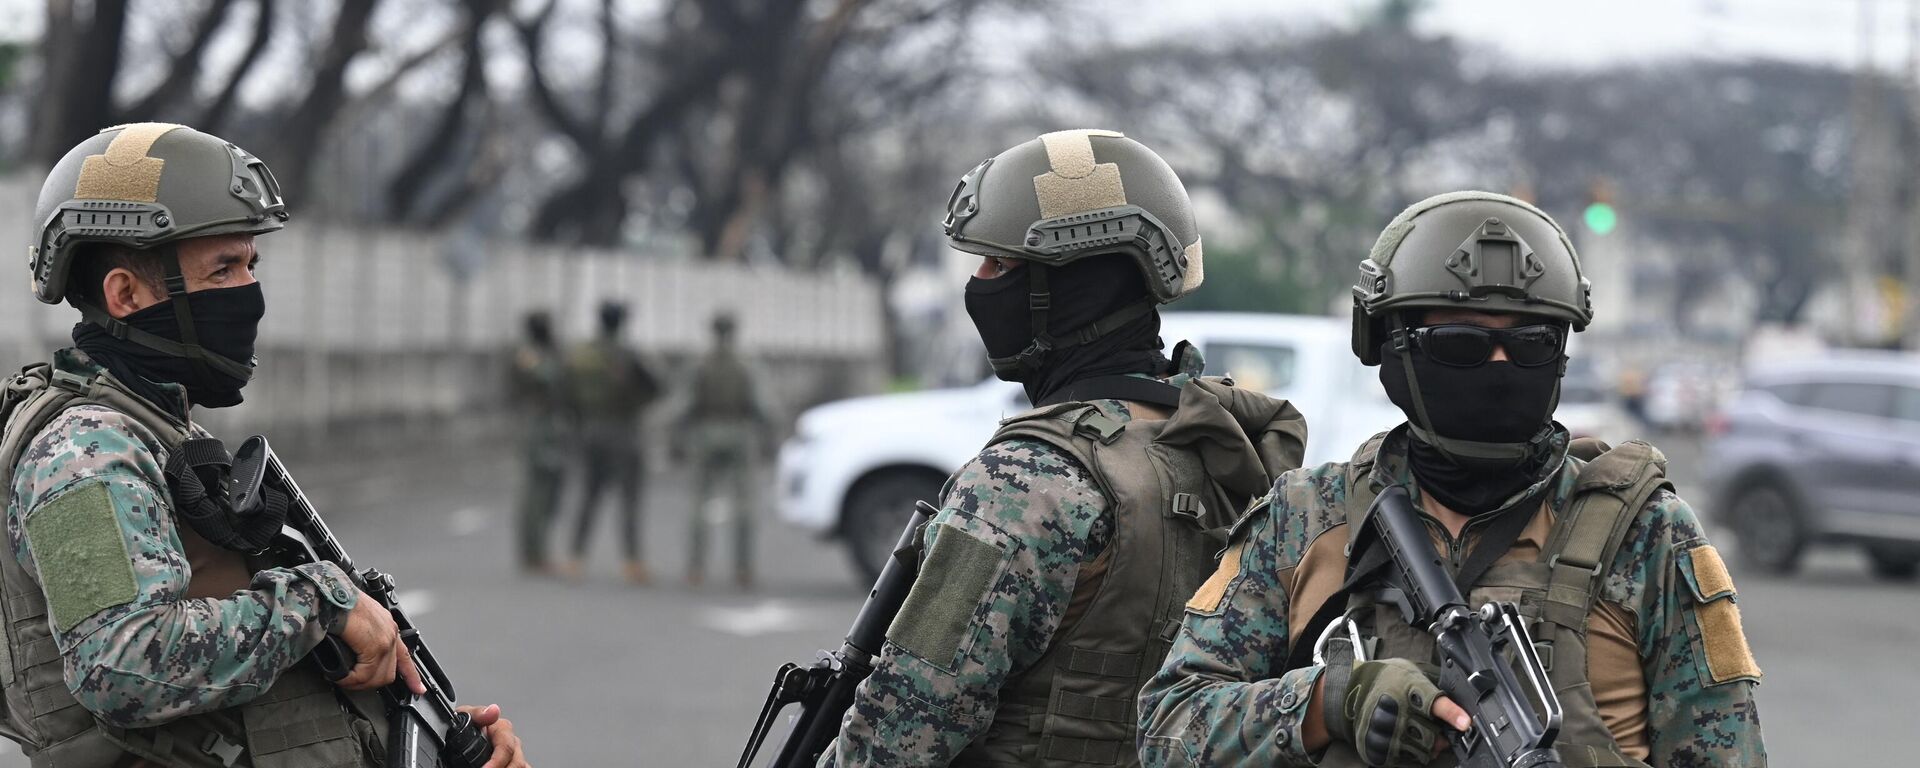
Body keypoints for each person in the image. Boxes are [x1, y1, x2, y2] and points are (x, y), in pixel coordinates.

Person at [1138, 191, 1765, 767]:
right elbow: (1168, 726)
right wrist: (1330, 700)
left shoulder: (1648, 535)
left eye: (1531, 344)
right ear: (1390, 345)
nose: (1498, 366)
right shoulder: (1306, 516)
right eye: (1460, 344)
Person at [0, 123, 528, 767]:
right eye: (224, 268)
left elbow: (251, 692)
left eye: (251, 264)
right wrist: (320, 602)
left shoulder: (159, 431)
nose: (250, 292)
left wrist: (436, 738)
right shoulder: (84, 450)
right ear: (126, 293)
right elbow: (122, 664)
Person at [821, 129, 1308, 767]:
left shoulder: (1026, 479)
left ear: (1072, 283)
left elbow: (901, 732)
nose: (980, 284)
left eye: (999, 266)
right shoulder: (1225, 441)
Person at [560, 301, 662, 583]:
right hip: (623, 429)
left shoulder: (580, 354)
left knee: (589, 495)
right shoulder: (627, 355)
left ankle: (575, 557)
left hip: (590, 428)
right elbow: (656, 386)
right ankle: (632, 561)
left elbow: (564, 392)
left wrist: (579, 419)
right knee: (629, 498)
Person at [678, 311, 771, 588]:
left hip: (706, 431)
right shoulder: (745, 365)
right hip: (738, 431)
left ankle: (696, 567)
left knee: (699, 502)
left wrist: (678, 437)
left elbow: (686, 403)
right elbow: (760, 405)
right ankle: (743, 568)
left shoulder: (700, 364)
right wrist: (770, 434)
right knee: (744, 504)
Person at [509, 309, 567, 576]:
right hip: (537, 428)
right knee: (538, 494)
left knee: (549, 491)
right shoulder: (529, 355)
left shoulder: (543, 352)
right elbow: (550, 377)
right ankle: (534, 552)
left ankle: (537, 550)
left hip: (551, 427)